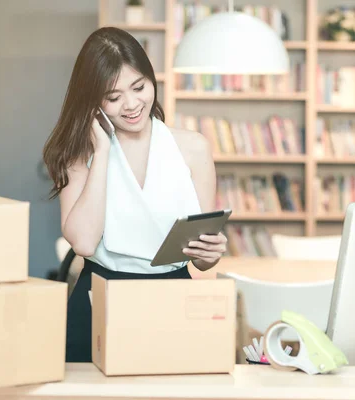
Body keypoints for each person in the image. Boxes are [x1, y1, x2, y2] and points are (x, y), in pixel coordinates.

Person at [42, 27, 228, 363]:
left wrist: (210, 253)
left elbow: (200, 260)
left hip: (174, 300)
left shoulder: (194, 149)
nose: (131, 105)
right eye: (113, 97)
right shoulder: (78, 155)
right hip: (98, 299)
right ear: (94, 102)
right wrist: (101, 152)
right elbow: (83, 243)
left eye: (139, 87)